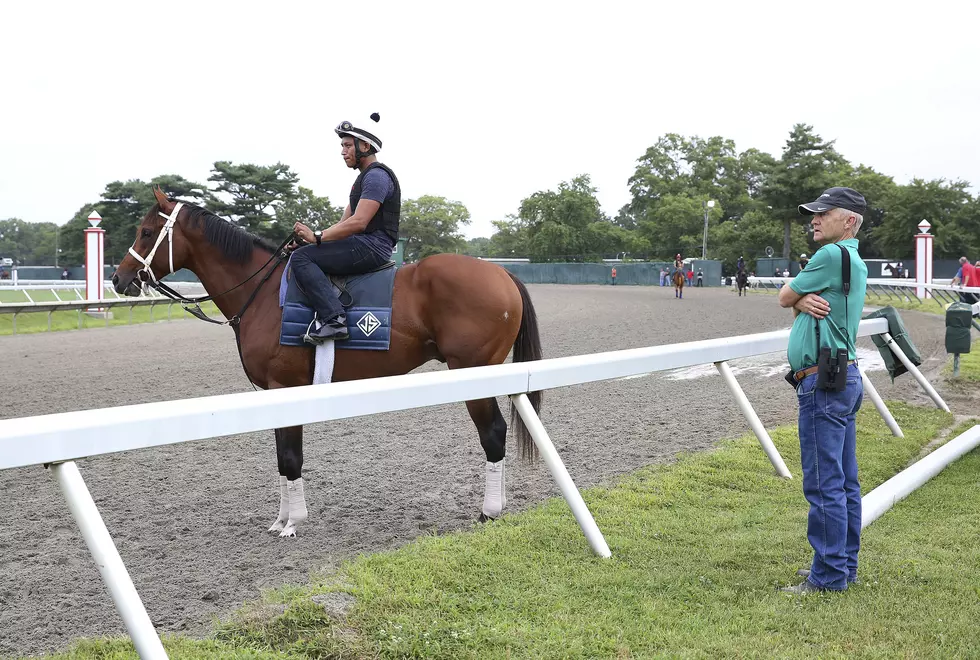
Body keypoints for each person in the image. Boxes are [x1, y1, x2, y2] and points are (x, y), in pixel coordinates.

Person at [777, 186, 868, 594]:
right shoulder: (854, 259)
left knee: (823, 483)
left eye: (822, 213)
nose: (813, 219)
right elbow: (799, 299)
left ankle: (828, 576)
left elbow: (783, 296)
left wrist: (797, 301)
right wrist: (803, 302)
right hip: (844, 377)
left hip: (823, 382)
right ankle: (841, 566)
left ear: (848, 220)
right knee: (845, 482)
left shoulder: (830, 255)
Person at [289, 114, 401, 343]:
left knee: (302, 259)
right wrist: (310, 240)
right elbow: (343, 224)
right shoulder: (361, 181)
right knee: (303, 251)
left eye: (348, 145)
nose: (343, 151)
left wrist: (317, 237)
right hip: (363, 244)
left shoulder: (377, 177)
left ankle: (334, 320)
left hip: (372, 246)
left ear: (365, 146)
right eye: (342, 146)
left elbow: (358, 222)